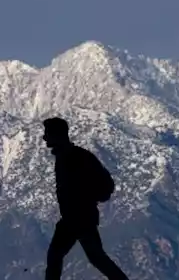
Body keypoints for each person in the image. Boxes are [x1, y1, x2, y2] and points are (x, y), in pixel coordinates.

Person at [42, 117, 129, 280]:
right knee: (92, 257)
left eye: (47, 134)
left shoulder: (76, 158)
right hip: (76, 218)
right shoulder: (68, 157)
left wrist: (84, 200)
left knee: (65, 256)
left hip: (80, 219)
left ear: (57, 135)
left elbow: (106, 186)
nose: (44, 138)